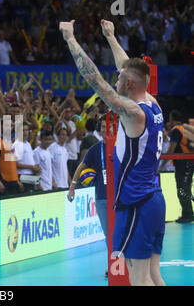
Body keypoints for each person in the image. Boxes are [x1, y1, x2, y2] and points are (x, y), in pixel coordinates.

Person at [60, 19, 166, 286]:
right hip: (154, 199)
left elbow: (94, 79)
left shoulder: (132, 113)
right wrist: (110, 36)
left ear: (129, 83)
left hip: (136, 203)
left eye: (119, 77)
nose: (116, 77)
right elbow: (128, 66)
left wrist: (71, 39)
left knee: (140, 278)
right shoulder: (153, 105)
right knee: (154, 275)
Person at [68, 117, 109, 278]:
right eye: (103, 127)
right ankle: (113, 264)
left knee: (122, 232)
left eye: (109, 126)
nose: (106, 129)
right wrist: (72, 187)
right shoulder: (95, 149)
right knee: (108, 234)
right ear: (99, 129)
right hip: (102, 197)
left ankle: (127, 262)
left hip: (121, 198)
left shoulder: (122, 146)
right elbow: (81, 166)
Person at [162, 110, 193, 223]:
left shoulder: (176, 130)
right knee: (186, 188)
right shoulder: (186, 128)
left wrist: (162, 165)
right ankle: (188, 213)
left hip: (182, 164)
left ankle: (187, 215)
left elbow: (171, 149)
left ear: (172, 119)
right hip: (190, 163)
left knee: (181, 188)